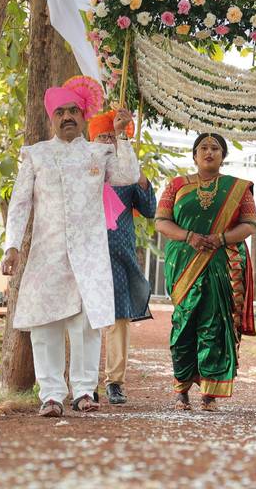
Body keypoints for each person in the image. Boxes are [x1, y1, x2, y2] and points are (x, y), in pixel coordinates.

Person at [1, 77, 139, 418]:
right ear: (51, 118)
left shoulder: (99, 152)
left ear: (84, 116)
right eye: (60, 111)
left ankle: (83, 390)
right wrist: (12, 246)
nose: (67, 117)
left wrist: (121, 134)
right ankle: (50, 394)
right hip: (47, 254)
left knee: (86, 324)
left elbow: (127, 176)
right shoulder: (35, 155)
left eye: (73, 111)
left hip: (90, 254)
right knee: (45, 327)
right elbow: (19, 204)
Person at [154, 133, 256, 411]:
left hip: (222, 262)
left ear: (223, 156)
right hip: (184, 264)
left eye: (215, 148)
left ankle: (209, 394)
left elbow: (250, 224)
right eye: (203, 148)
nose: (209, 152)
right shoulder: (176, 185)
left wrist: (222, 239)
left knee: (215, 324)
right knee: (183, 324)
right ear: (194, 155)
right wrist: (188, 236)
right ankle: (182, 390)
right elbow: (162, 222)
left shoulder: (238, 188)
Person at [88, 110, 157, 405]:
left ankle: (114, 382)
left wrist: (140, 177)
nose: (106, 142)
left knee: (118, 319)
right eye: (100, 137)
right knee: (86, 319)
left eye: (110, 137)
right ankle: (85, 382)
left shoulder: (127, 175)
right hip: (87, 254)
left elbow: (150, 209)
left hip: (119, 255)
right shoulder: (85, 173)